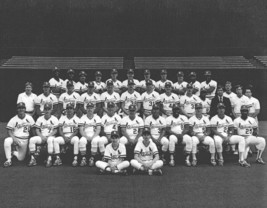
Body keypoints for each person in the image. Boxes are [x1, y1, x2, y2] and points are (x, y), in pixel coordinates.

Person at [3, 102, 35, 167]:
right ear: (17, 109)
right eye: (19, 108)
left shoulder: (30, 118)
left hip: (25, 140)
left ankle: (13, 152)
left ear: (25, 109)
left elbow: (33, 130)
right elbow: (9, 130)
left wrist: (31, 142)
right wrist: (14, 138)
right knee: (7, 141)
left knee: (21, 159)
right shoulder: (13, 119)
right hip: (15, 138)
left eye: (22, 108)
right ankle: (8, 160)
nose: (21, 110)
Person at [28, 103, 59, 167]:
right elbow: (37, 130)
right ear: (43, 110)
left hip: (51, 136)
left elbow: (56, 130)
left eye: (48, 109)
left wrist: (48, 136)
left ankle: (49, 159)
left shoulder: (54, 119)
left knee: (50, 140)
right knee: (32, 140)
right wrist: (41, 136)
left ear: (51, 110)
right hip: (42, 137)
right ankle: (33, 159)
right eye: (45, 109)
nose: (47, 111)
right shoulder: (40, 118)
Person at [79, 102, 101, 167]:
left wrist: (93, 137)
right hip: (85, 135)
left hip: (95, 135)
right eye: (88, 108)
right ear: (86, 109)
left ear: (94, 109)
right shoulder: (83, 118)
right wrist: (86, 137)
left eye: (91, 108)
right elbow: (81, 130)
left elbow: (98, 129)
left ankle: (92, 158)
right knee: (82, 141)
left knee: (94, 141)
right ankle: (83, 158)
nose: (89, 109)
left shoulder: (97, 117)